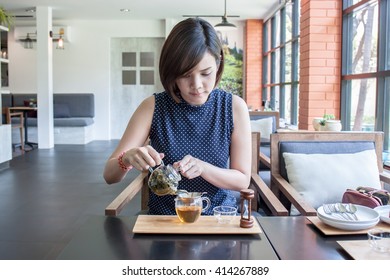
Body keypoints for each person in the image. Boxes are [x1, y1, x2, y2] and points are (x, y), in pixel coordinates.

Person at [103, 18, 251, 215]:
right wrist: (127, 158)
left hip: (217, 219)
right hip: (165, 222)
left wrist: (203, 168)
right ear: (172, 73)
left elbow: (242, 179)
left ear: (218, 64)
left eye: (206, 73)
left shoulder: (233, 107)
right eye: (186, 75)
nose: (197, 85)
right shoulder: (153, 107)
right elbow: (109, 175)